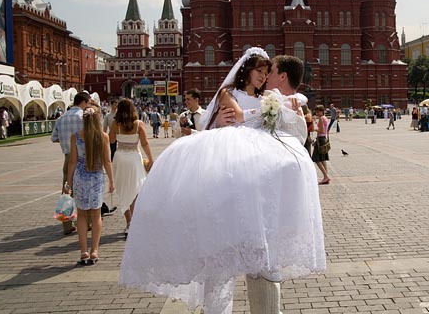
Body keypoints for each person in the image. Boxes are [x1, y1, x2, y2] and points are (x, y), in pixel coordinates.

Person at [119, 49, 324, 313]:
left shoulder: (272, 98)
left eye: (266, 72)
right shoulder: (229, 94)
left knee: (262, 260)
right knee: (220, 258)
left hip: (258, 193)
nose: (263, 77)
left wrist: (292, 111)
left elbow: (296, 132)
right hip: (229, 188)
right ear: (245, 71)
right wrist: (222, 119)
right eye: (259, 72)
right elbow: (213, 132)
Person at [66, 103, 115, 265]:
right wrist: (112, 181)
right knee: (96, 215)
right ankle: (94, 250)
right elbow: (107, 161)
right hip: (96, 177)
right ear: (97, 119)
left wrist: (69, 181)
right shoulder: (103, 137)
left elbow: (72, 161)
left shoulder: (76, 136)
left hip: (80, 177)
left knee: (81, 215)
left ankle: (83, 251)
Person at [109, 98, 154, 238]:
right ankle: (133, 223)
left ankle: (128, 223)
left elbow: (111, 140)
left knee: (123, 191)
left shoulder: (116, 124)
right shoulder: (139, 124)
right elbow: (145, 143)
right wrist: (151, 159)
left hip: (120, 158)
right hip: (134, 158)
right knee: (135, 191)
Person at [51, 91, 91, 235]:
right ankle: (87, 222)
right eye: (88, 103)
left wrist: (65, 140)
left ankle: (67, 224)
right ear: (84, 102)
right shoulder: (83, 117)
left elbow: (54, 138)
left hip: (68, 157)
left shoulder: (61, 118)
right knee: (85, 189)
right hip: (83, 156)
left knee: (67, 191)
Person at [312, 104, 332, 185]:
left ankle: (326, 176)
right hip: (324, 139)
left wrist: (314, 129)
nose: (316, 113)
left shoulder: (321, 118)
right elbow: (326, 131)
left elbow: (322, 130)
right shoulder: (325, 118)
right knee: (323, 158)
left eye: (318, 111)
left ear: (322, 111)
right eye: (316, 112)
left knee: (316, 159)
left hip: (320, 139)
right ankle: (326, 176)